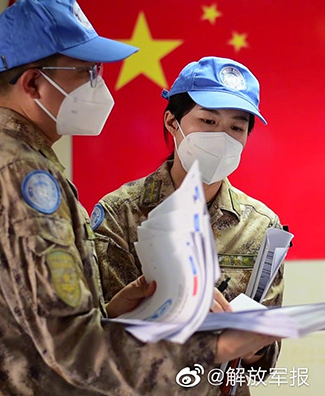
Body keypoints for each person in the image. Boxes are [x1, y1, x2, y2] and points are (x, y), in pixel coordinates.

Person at [0, 0, 278, 395]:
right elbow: (71, 343)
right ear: (33, 83)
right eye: (86, 72)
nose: (98, 84)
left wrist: (113, 310)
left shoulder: (17, 160)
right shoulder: (21, 176)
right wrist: (210, 347)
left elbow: (44, 317)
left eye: (237, 126)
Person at [91, 56, 284, 395]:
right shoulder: (120, 213)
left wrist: (255, 346)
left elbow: (261, 363)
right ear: (172, 122)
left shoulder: (261, 225)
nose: (221, 137)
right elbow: (99, 334)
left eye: (236, 128)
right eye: (208, 121)